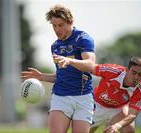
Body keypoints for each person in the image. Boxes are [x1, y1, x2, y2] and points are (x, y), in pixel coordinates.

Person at [21, 4, 96, 133]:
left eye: (60, 25)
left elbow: (91, 65)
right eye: (54, 26)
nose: (57, 29)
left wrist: (70, 60)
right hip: (61, 97)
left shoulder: (82, 39)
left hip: (83, 98)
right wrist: (42, 77)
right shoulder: (55, 46)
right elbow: (61, 76)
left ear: (70, 22)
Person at [89, 56, 141, 133]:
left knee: (129, 131)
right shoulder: (112, 70)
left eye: (140, 74)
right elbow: (89, 68)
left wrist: (118, 125)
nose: (136, 77)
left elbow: (132, 115)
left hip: (117, 109)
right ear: (127, 70)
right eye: (134, 73)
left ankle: (110, 124)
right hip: (97, 105)